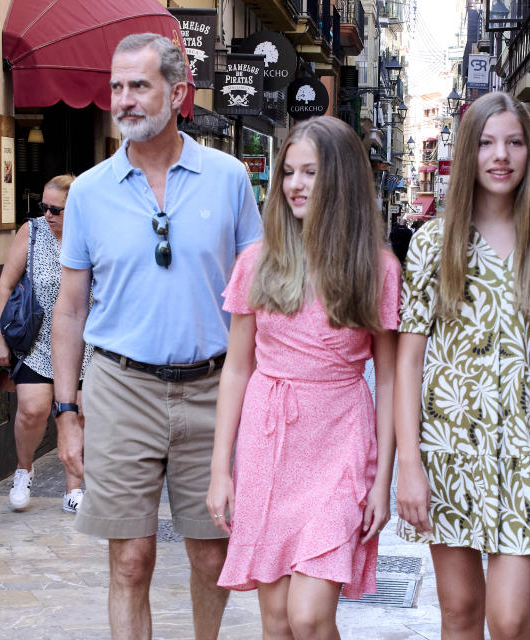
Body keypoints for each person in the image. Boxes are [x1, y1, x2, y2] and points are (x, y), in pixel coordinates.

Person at [52, 33, 262, 639]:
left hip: (214, 388)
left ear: (178, 92)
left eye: (138, 86)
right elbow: (69, 310)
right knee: (130, 559)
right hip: (120, 386)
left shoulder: (227, 179)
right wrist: (67, 412)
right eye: (116, 87)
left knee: (211, 555)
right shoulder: (89, 191)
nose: (123, 100)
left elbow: (255, 294)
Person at [394, 92, 530, 638]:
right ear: (468, 152)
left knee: (510, 617)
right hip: (449, 452)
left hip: (526, 451)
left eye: (515, 142)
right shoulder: (434, 242)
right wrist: (410, 466)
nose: (501, 155)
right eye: (486, 142)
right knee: (458, 613)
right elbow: (408, 364)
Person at [207, 115, 399, 638]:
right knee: (277, 621)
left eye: (310, 172)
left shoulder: (377, 268)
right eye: (288, 172)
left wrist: (384, 480)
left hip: (340, 439)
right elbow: (237, 369)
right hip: (268, 442)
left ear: (339, 179)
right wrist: (220, 470)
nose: (294, 184)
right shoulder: (257, 262)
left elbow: (390, 379)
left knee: (310, 616)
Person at [0, 174, 93, 514]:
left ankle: (73, 488)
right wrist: (1, 339)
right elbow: (5, 285)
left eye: (57, 209)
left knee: (78, 415)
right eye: (44, 207)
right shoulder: (32, 232)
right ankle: (24, 470)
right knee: (32, 411)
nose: (48, 215)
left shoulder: (92, 234)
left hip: (84, 344)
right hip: (37, 342)